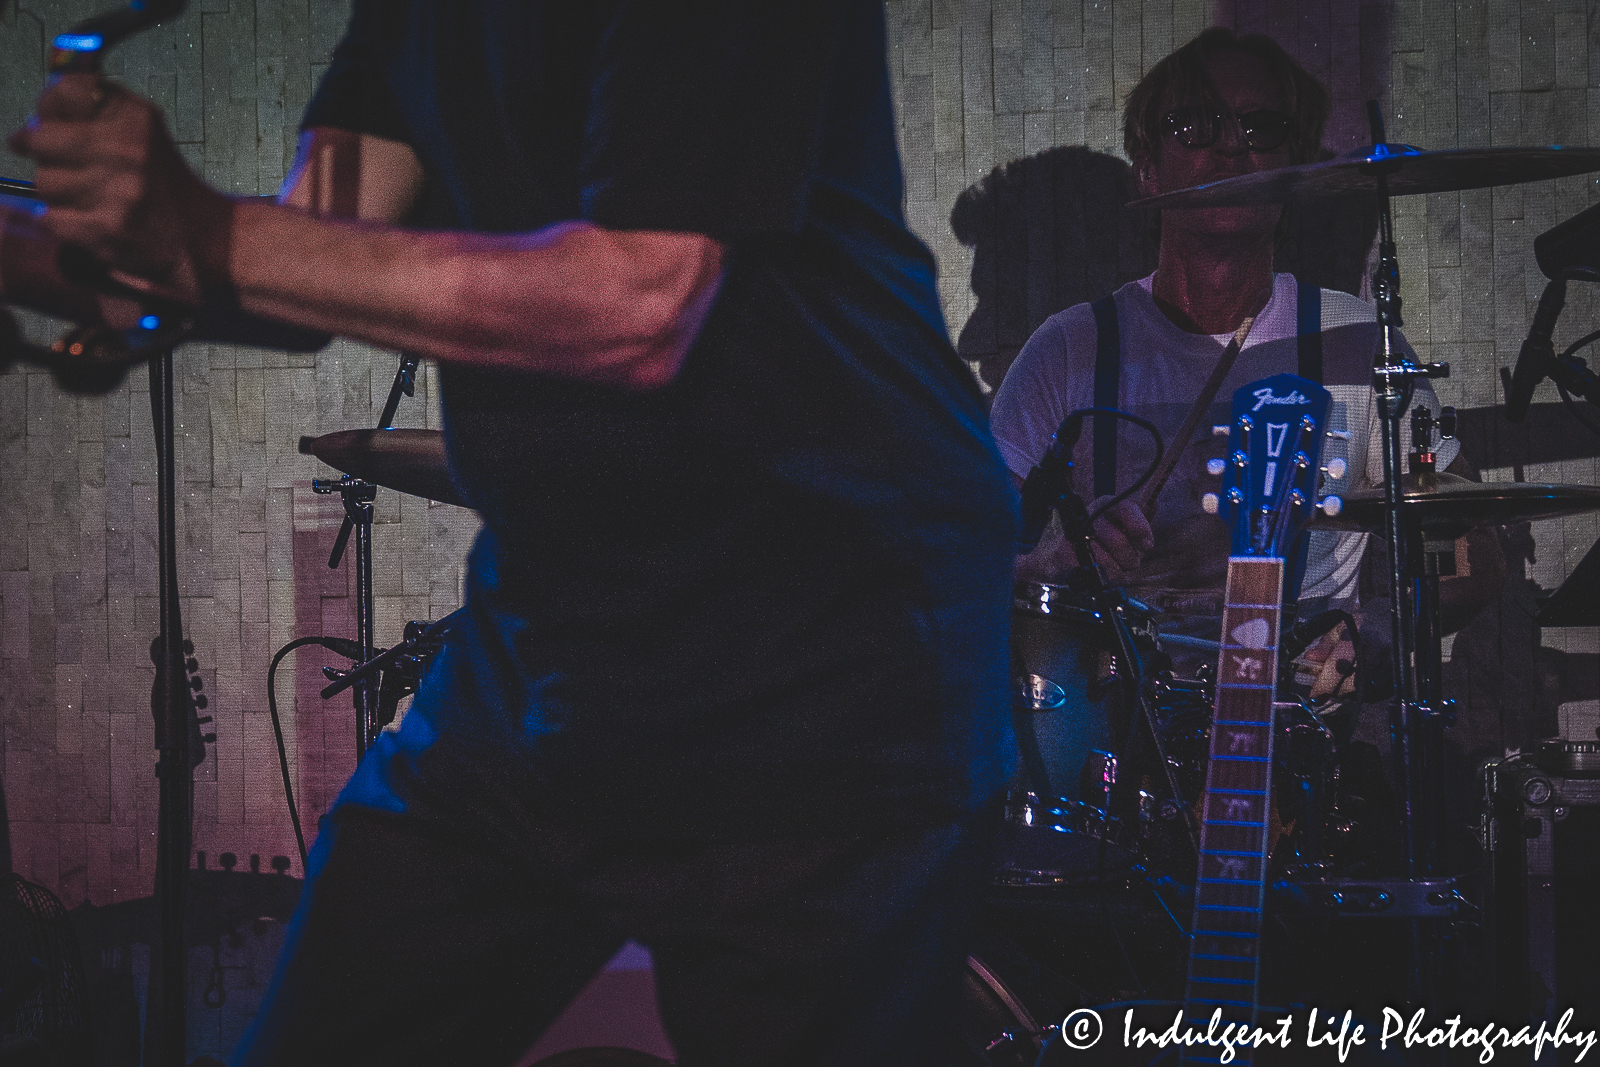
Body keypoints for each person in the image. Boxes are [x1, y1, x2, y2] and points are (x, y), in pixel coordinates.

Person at [3, 4, 1018, 1064]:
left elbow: (637, 295)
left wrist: (204, 227)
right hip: (553, 638)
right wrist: (31, 252)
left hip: (824, 645)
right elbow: (316, 250)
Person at [990, 27, 1503, 695]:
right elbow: (959, 559)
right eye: (1194, 124)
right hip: (1118, 746)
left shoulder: (1354, 342)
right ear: (1146, 166)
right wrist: (1053, 567)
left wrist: (1367, 635)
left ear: (1291, 169)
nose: (1230, 146)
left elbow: (1474, 554)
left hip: (1301, 745)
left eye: (1260, 127)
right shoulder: (1070, 349)